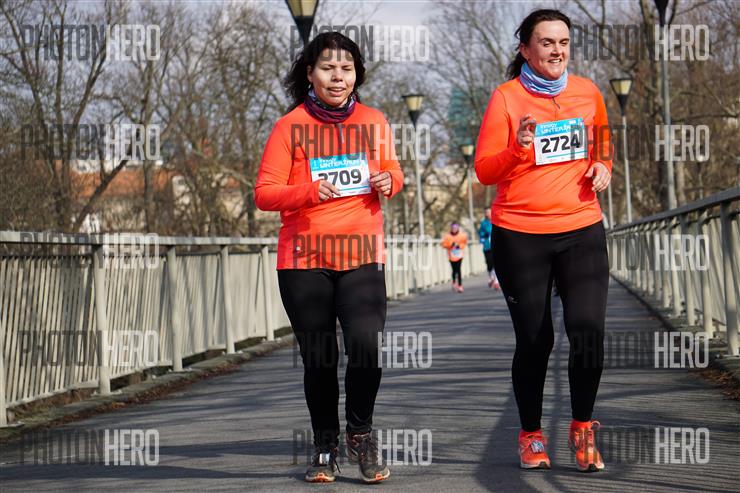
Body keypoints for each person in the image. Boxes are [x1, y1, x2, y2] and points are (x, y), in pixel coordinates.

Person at [254, 32, 402, 483]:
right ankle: (324, 444)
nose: (338, 77)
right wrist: (307, 191)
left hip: (361, 255)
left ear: (357, 74)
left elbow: (393, 172)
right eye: (328, 68)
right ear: (310, 73)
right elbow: (264, 193)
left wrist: (389, 182)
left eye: (346, 69)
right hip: (304, 260)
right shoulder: (289, 126)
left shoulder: (374, 121)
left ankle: (361, 432)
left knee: (366, 346)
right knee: (319, 357)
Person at [475, 9, 612, 472]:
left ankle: (583, 426)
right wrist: (518, 147)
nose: (557, 50)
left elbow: (603, 146)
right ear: (525, 49)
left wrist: (603, 166)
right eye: (547, 42)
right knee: (536, 340)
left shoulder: (588, 93)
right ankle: (531, 434)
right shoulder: (506, 98)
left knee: (588, 332)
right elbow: (484, 170)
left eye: (564, 42)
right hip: (521, 234)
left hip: (581, 227)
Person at [441, 222, 468, 293]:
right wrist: (451, 244)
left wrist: (459, 246)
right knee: (454, 270)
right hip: (452, 256)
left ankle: (460, 286)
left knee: (458, 270)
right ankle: (453, 281)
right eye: (453, 228)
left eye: (455, 228)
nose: (454, 229)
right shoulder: (447, 236)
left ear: (458, 228)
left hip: (459, 255)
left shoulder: (462, 235)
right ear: (451, 228)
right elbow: (443, 245)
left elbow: (464, 243)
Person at [479, 208, 500, 289]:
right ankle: (491, 277)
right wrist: (482, 239)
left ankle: (496, 281)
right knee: (489, 263)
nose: (487, 214)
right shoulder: (483, 223)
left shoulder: (496, 220)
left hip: (496, 245)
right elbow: (481, 233)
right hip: (487, 246)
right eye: (486, 212)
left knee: (496, 263)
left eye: (489, 212)